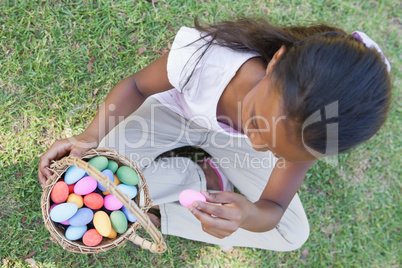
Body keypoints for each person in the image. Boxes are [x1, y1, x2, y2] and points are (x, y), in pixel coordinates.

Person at [38, 18, 391, 251]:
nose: (255, 142)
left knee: (292, 234)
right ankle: (188, 178)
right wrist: (88, 137)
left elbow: (274, 207)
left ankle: (177, 200)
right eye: (255, 121)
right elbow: (136, 86)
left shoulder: (310, 134)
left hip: (231, 141)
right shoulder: (208, 58)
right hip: (173, 114)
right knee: (95, 171)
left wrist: (249, 216)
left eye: (272, 148)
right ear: (275, 61)